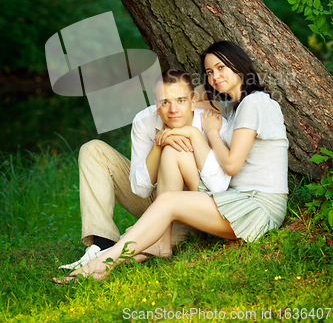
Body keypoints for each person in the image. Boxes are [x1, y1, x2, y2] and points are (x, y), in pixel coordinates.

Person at [53, 40, 288, 283]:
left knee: (169, 193)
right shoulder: (232, 106)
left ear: (238, 65)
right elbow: (188, 93)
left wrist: (205, 133)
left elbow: (230, 166)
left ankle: (101, 264)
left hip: (258, 206)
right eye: (209, 72)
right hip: (239, 199)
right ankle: (139, 249)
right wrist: (174, 109)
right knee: (173, 152)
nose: (215, 76)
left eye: (221, 68)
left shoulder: (254, 102)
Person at [58, 68, 230, 270]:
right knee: (93, 149)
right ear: (157, 105)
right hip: (152, 197)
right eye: (165, 102)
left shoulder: (213, 124)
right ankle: (102, 242)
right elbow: (140, 189)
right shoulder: (144, 120)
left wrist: (191, 136)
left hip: (191, 210)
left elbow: (221, 190)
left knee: (148, 238)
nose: (173, 109)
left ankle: (116, 249)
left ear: (193, 101)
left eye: (181, 101)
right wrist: (159, 144)